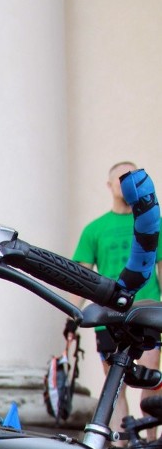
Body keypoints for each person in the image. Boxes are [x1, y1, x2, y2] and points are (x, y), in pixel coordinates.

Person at [72, 161, 162, 434]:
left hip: (147, 313)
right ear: (110, 185)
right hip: (109, 319)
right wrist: (72, 316)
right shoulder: (94, 229)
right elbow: (81, 277)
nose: (129, 183)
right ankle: (119, 444)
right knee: (115, 385)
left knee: (151, 382)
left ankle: (149, 442)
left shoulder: (152, 224)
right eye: (122, 178)